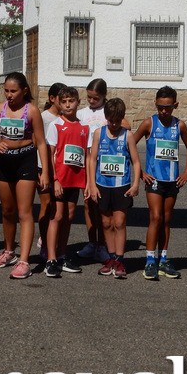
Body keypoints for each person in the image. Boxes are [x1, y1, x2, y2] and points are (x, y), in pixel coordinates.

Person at [0, 72, 49, 280]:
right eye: (6, 90)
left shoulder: (32, 111)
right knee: (7, 211)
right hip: (5, 162)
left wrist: (45, 171)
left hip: (25, 160)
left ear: (24, 90)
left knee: (24, 212)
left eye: (13, 91)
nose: (9, 95)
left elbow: (41, 142)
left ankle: (24, 261)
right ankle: (9, 251)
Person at [134, 86, 187, 281]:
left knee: (166, 220)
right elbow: (129, 144)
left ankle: (163, 259)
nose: (163, 111)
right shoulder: (148, 123)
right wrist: (140, 172)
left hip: (172, 180)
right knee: (155, 217)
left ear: (175, 105)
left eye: (167, 107)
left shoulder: (180, 125)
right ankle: (150, 260)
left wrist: (186, 172)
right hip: (154, 179)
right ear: (155, 104)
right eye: (160, 107)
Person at [76, 79, 130, 263]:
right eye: (89, 97)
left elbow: (126, 126)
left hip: (106, 165)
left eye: (96, 98)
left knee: (106, 209)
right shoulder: (81, 113)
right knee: (88, 203)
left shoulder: (108, 112)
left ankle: (103, 244)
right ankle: (92, 242)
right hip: (87, 161)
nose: (92, 101)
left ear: (104, 96)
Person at [87, 98, 141, 279]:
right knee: (106, 223)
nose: (115, 124)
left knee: (119, 223)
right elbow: (92, 160)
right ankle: (110, 259)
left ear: (122, 117)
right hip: (102, 185)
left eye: (118, 120)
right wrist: (91, 184)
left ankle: (119, 260)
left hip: (121, 185)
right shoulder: (98, 133)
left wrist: (135, 184)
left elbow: (135, 161)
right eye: (111, 120)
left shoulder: (128, 135)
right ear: (106, 117)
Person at [44, 86, 92, 277]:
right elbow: (50, 154)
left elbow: (87, 156)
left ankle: (62, 255)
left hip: (76, 180)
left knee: (69, 217)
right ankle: (51, 259)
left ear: (78, 102)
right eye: (63, 102)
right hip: (60, 179)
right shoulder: (55, 125)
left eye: (71, 101)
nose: (67, 105)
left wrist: (88, 182)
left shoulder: (85, 127)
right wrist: (54, 179)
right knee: (57, 216)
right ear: (59, 103)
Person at [37, 83, 66, 260]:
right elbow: (37, 143)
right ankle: (44, 243)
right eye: (61, 99)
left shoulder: (65, 118)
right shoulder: (43, 118)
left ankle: (54, 243)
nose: (65, 102)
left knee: (58, 209)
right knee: (46, 205)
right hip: (43, 167)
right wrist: (40, 169)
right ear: (52, 98)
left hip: (61, 168)